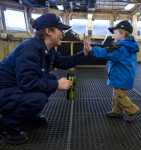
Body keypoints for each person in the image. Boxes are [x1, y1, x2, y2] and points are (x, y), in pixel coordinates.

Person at [0, 13, 86, 144]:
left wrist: (84, 53)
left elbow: (63, 62)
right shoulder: (30, 49)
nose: (62, 34)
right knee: (38, 98)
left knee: (50, 78)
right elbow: (27, 83)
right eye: (60, 30)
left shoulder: (47, 48)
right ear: (49, 31)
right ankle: (7, 127)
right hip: (5, 91)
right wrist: (56, 85)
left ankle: (29, 117)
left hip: (15, 88)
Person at [84, 20, 140, 122]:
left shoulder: (122, 47)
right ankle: (117, 111)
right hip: (123, 74)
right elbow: (109, 50)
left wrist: (92, 50)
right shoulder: (126, 45)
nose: (114, 34)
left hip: (121, 75)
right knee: (116, 93)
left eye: (116, 32)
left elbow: (108, 53)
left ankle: (133, 110)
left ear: (122, 34)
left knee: (120, 95)